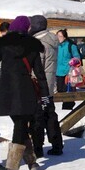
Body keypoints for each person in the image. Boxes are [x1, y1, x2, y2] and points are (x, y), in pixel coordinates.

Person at [0, 15, 49, 170]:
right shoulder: (33, 47)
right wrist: (45, 95)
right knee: (20, 127)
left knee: (20, 125)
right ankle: (13, 168)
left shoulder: (3, 45)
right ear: (26, 29)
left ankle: (31, 162)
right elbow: (40, 75)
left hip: (6, 91)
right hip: (25, 91)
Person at [28, 15, 64, 157]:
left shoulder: (39, 43)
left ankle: (37, 148)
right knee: (50, 114)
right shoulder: (52, 40)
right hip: (49, 86)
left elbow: (37, 67)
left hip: (39, 87)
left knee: (38, 117)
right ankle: (57, 144)